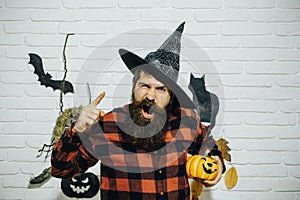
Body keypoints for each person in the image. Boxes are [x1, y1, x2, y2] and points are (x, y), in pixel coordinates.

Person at [51, 22, 225, 200]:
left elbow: (209, 145)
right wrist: (76, 131)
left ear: (170, 95)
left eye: (161, 89)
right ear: (134, 85)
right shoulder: (108, 125)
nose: (150, 95)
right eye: (145, 86)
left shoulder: (186, 121)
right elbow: (61, 170)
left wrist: (217, 162)